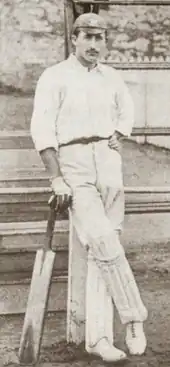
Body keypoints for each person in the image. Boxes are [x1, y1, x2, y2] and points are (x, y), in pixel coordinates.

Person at [30, 12, 148, 363]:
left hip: (108, 162)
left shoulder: (112, 77)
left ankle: (98, 338)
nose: (95, 44)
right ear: (75, 39)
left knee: (103, 252)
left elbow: (125, 110)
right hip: (74, 163)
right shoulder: (54, 77)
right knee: (101, 240)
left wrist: (118, 135)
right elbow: (43, 130)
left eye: (100, 38)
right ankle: (134, 316)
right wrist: (56, 176)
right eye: (88, 38)